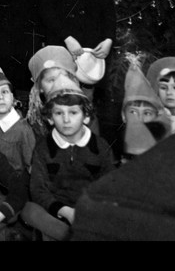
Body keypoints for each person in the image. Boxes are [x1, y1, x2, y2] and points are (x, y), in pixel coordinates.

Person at [22, 77, 114, 241]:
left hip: (90, 212)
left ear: (85, 116)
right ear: (50, 118)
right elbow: (38, 190)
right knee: (29, 210)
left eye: (73, 112)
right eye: (59, 113)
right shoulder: (43, 148)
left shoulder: (100, 147)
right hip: (56, 212)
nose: (66, 120)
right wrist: (65, 211)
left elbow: (108, 187)